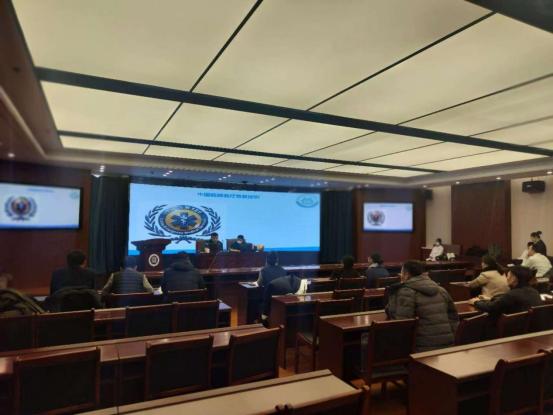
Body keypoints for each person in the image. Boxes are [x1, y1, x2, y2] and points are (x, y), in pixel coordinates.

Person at [386, 260, 459, 352]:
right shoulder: (441, 290)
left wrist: (394, 294)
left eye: (401, 272)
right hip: (448, 344)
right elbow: (454, 317)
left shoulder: (406, 292)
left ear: (406, 274)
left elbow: (402, 323)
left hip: (422, 347)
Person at [470, 266, 542, 316]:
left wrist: (476, 302)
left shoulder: (512, 294)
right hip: (529, 328)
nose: (506, 278)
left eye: (508, 275)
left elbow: (491, 307)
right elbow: (506, 300)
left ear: (514, 278)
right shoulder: (534, 292)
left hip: (510, 329)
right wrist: (490, 298)